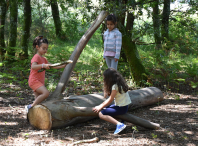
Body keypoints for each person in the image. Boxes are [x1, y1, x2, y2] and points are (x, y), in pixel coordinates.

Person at [25, 36, 66, 112]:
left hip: (40, 81)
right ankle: (30, 107)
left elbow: (53, 66)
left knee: (38, 101)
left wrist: (63, 65)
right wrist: (43, 65)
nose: (45, 50)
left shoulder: (44, 59)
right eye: (43, 48)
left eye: (46, 48)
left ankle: (32, 114)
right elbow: (33, 66)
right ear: (37, 47)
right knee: (46, 93)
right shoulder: (36, 57)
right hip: (34, 81)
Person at [92, 68, 131, 134]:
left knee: (101, 114)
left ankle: (119, 124)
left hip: (121, 108)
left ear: (109, 78)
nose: (104, 79)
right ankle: (121, 120)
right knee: (105, 108)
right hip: (124, 106)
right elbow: (105, 96)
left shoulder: (115, 86)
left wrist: (99, 106)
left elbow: (110, 99)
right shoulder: (119, 83)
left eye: (105, 78)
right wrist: (106, 86)